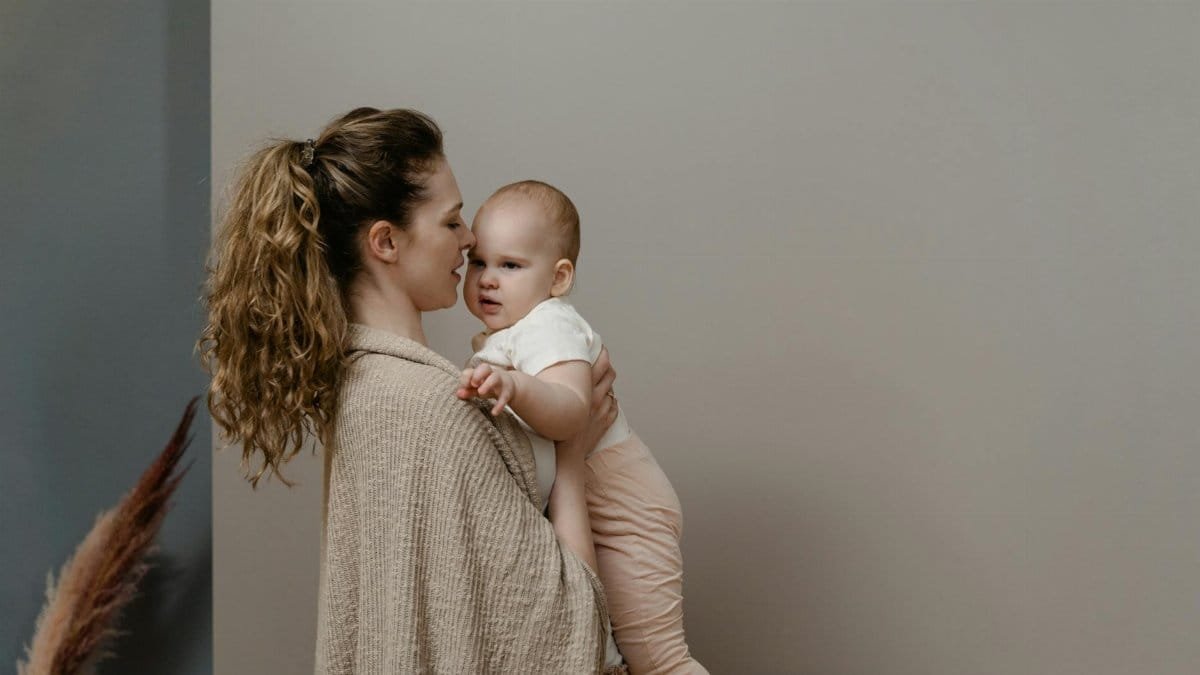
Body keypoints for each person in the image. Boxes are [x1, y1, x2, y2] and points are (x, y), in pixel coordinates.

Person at [199, 107, 628, 674]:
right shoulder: (426, 405)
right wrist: (572, 448)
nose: (471, 238)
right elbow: (567, 630)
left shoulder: (371, 386)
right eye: (451, 222)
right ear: (386, 242)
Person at [457, 180, 707, 675]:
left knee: (660, 661)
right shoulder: (509, 334)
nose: (487, 279)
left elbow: (574, 411)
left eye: (510, 265)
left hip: (625, 513)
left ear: (559, 277)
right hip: (593, 508)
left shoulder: (549, 324)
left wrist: (515, 386)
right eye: (478, 262)